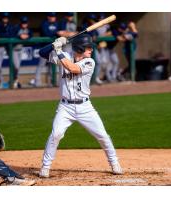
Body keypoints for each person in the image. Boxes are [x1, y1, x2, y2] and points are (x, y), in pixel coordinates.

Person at [38, 34, 123, 178]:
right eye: (88, 47)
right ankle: (45, 167)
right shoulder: (64, 55)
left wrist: (58, 51)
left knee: (102, 135)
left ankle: (114, 163)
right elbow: (42, 53)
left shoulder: (89, 62)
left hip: (85, 107)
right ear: (79, 48)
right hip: (65, 107)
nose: (91, 50)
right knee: (56, 134)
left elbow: (72, 68)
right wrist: (55, 44)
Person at [0, 12, 14, 89]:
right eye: (4, 17)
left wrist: (1, 35)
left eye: (6, 17)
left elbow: (10, 35)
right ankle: (0, 81)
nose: (5, 18)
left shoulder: (10, 26)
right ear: (1, 18)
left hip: (3, 48)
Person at [13, 16, 33, 88]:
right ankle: (15, 81)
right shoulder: (16, 28)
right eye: (23, 23)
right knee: (16, 66)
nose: (24, 24)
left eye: (25, 23)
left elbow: (31, 34)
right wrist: (19, 36)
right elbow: (12, 34)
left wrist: (27, 36)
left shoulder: (28, 29)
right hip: (13, 49)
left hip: (20, 49)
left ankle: (16, 81)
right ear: (20, 23)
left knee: (17, 67)